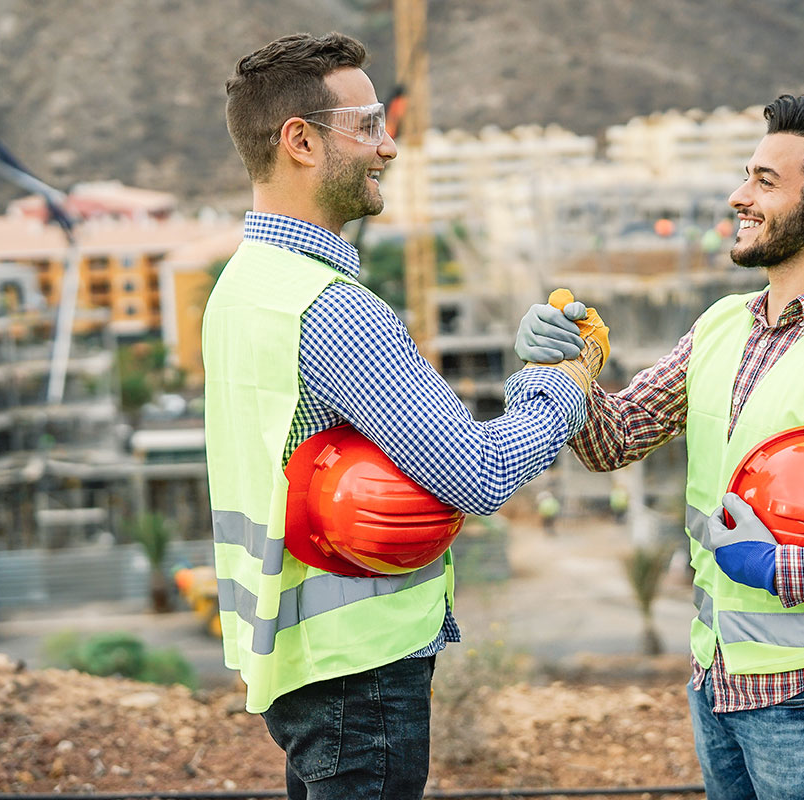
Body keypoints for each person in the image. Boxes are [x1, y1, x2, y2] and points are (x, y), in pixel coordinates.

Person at [515, 94, 804, 800]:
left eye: (765, 182)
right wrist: (568, 370)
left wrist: (785, 569)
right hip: (717, 681)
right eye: (747, 175)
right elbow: (613, 442)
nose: (739, 196)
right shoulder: (720, 327)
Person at [202, 32, 607, 799]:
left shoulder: (243, 287)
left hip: (296, 662)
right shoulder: (333, 310)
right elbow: (478, 475)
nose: (388, 148)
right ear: (300, 141)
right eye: (369, 126)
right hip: (360, 668)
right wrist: (563, 378)